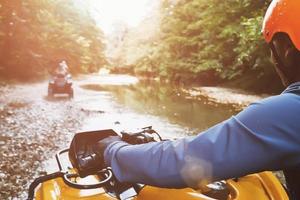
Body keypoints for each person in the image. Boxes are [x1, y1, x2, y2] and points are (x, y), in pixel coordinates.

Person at [70, 0, 300, 199]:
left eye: (273, 49)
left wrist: (112, 150)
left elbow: (182, 162)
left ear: (287, 51)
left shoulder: (289, 111)